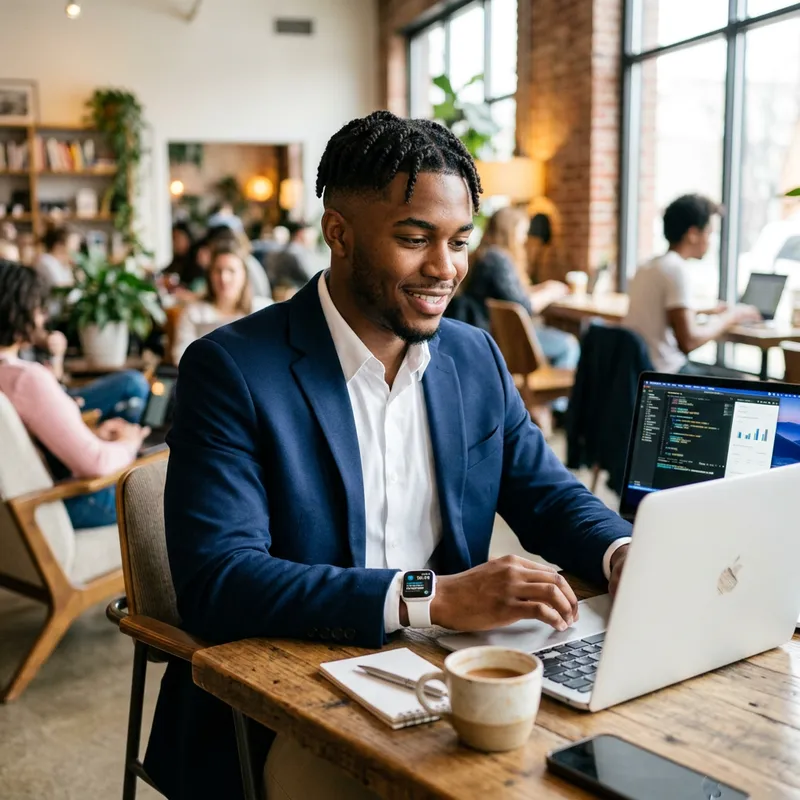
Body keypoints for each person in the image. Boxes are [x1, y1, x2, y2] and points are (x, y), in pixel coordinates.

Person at [148, 111, 632, 800]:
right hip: (286, 701)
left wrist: (623, 553)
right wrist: (432, 598)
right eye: (415, 239)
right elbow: (220, 581)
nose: (445, 268)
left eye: (460, 241)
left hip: (451, 675)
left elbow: (546, 492)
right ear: (337, 233)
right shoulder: (231, 370)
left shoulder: (472, 356)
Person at [0, 260, 151, 529]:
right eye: (38, 307)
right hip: (52, 508)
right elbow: (96, 463)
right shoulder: (26, 379)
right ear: (18, 310)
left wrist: (92, 436)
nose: (42, 317)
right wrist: (128, 445)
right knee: (164, 481)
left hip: (23, 510)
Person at [625, 194, 760, 375]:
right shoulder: (675, 269)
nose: (710, 241)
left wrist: (702, 311)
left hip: (637, 371)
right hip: (666, 372)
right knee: (743, 379)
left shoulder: (647, 266)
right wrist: (731, 316)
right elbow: (689, 342)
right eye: (709, 233)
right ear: (693, 235)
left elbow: (658, 314)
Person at [461, 206, 580, 370]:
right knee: (569, 345)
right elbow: (523, 305)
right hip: (503, 339)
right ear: (510, 230)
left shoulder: (484, 255)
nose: (524, 238)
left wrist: (543, 287)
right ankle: (554, 396)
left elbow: (509, 293)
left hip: (488, 335)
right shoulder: (497, 259)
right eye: (522, 231)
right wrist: (551, 293)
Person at [171, 242, 271, 363]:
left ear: (244, 274)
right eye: (218, 271)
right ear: (210, 275)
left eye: (231, 271)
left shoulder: (263, 310)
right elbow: (181, 356)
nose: (224, 278)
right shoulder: (194, 313)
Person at [265, 219, 326, 296]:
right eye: (310, 235)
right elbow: (311, 277)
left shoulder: (286, 250)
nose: (312, 239)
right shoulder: (295, 252)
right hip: (295, 292)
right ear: (300, 234)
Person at [34, 225, 80, 294]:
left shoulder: (65, 266)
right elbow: (59, 289)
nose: (77, 250)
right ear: (59, 246)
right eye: (74, 245)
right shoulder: (46, 262)